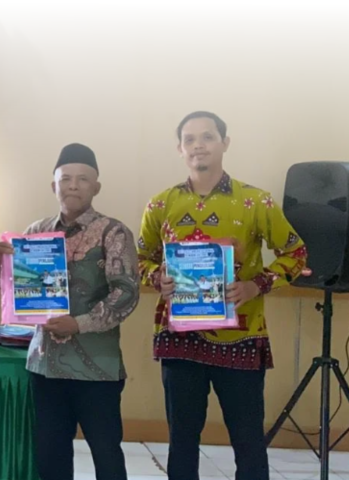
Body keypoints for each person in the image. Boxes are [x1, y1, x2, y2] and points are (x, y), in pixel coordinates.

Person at [137, 111, 308, 480]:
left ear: (224, 143)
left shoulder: (256, 202)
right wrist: (156, 277)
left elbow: (296, 254)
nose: (198, 145)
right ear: (180, 149)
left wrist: (256, 285)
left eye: (207, 137)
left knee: (247, 439)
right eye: (189, 139)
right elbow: (140, 259)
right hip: (180, 339)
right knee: (182, 438)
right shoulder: (160, 204)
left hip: (241, 337)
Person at [0, 143, 140, 480]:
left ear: (96, 187)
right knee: (50, 455)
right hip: (46, 365)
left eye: (83, 179)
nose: (73, 186)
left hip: (97, 367)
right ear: (53, 185)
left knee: (106, 453)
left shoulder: (113, 232)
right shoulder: (35, 232)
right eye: (66, 178)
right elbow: (12, 290)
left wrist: (79, 323)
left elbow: (127, 293)